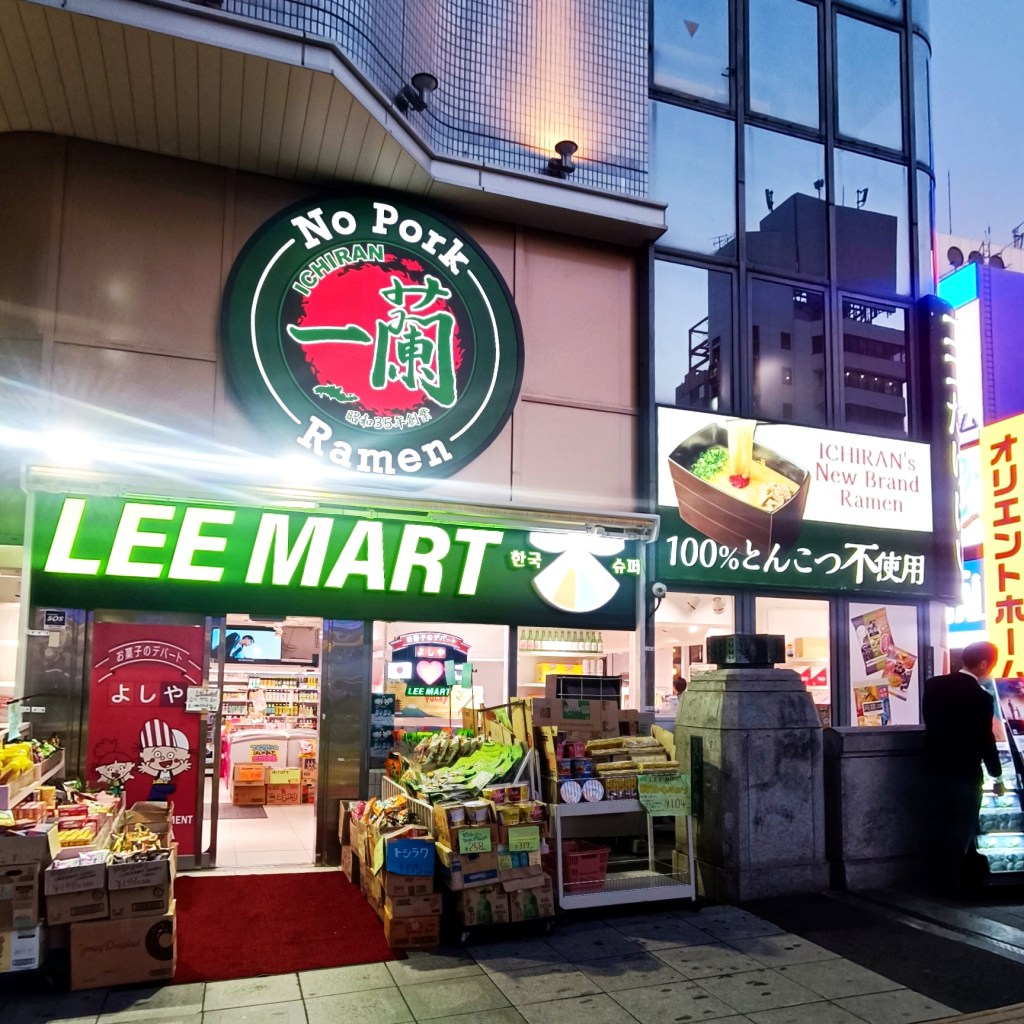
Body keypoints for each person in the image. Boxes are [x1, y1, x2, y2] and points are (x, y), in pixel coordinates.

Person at [922, 640, 1004, 895]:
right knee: (960, 826)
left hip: (931, 768)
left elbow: (930, 722)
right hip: (965, 772)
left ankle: (930, 877)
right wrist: (996, 774)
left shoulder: (933, 685)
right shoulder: (981, 697)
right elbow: (985, 739)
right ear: (982, 664)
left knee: (934, 823)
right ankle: (949, 880)